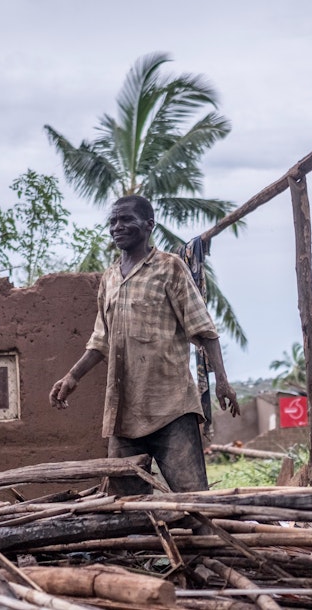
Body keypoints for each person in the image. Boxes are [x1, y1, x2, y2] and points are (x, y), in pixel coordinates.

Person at [49, 195, 240, 495]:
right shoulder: (110, 278)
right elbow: (101, 340)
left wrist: (223, 383)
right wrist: (72, 376)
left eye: (126, 219)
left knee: (194, 504)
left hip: (171, 410)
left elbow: (204, 330)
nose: (117, 227)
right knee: (127, 510)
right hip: (124, 415)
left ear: (149, 225)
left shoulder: (170, 268)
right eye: (113, 221)